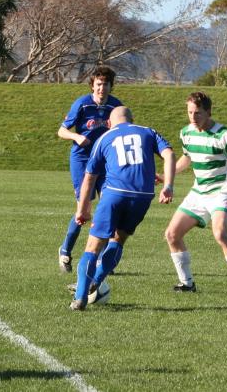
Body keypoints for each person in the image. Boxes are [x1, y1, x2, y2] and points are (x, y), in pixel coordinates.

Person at [70, 106, 175, 311]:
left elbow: (90, 177)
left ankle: (80, 296)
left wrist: (83, 209)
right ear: (132, 119)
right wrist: (168, 185)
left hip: (115, 193)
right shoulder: (148, 131)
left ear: (109, 123)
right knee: (118, 240)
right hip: (143, 196)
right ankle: (96, 281)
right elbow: (169, 155)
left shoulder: (105, 137)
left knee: (93, 246)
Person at [164, 92, 227, 297]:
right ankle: (187, 283)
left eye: (197, 113)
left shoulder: (224, 135)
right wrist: (166, 176)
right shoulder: (186, 133)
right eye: (190, 112)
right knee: (172, 235)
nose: (193, 117)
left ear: (208, 112)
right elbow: (187, 158)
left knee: (219, 233)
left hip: (223, 190)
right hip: (199, 191)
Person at [57, 66, 123, 273]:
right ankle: (65, 251)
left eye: (106, 84)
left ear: (111, 86)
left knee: (108, 208)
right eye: (98, 84)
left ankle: (103, 260)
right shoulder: (82, 104)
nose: (102, 88)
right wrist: (77, 137)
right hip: (83, 159)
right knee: (83, 209)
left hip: (105, 161)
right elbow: (61, 130)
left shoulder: (116, 106)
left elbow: (124, 130)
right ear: (92, 86)